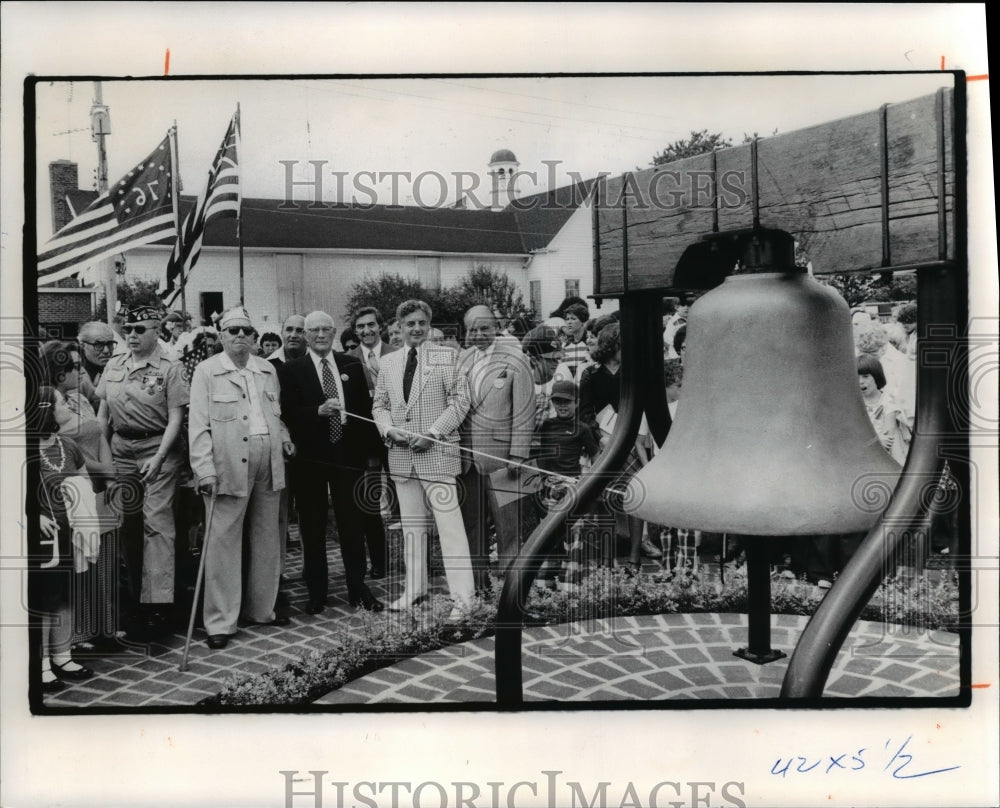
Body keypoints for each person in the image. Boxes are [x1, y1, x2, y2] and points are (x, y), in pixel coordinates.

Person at [188, 307, 295, 649]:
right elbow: (199, 426)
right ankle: (220, 622)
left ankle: (262, 609)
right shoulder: (207, 371)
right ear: (221, 336)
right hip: (227, 467)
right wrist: (204, 469)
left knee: (268, 537)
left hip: (269, 463)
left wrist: (285, 437)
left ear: (253, 337)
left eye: (244, 331)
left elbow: (274, 415)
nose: (238, 336)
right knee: (222, 543)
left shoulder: (266, 370)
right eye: (231, 330)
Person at [371, 299, 474, 619]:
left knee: (450, 528)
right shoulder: (388, 363)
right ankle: (414, 589)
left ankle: (464, 599)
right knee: (412, 527)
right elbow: (379, 405)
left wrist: (431, 433)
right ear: (399, 328)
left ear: (428, 326)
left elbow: (460, 402)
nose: (415, 329)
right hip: (401, 456)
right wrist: (389, 431)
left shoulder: (447, 356)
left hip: (436, 454)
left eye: (421, 323)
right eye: (409, 324)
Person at [278, 311, 385, 614]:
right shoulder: (291, 370)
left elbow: (365, 411)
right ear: (306, 335)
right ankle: (317, 591)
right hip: (310, 459)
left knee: (352, 524)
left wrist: (371, 454)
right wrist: (317, 412)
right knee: (312, 526)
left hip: (346, 455)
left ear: (335, 332)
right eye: (314, 331)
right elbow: (286, 414)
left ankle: (358, 588)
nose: (321, 335)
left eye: (326, 329)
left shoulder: (350, 364)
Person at [95, 305, 187, 640]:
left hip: (157, 450)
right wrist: (102, 460)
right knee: (128, 524)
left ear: (156, 330)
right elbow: (103, 415)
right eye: (127, 329)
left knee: (158, 524)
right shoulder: (114, 364)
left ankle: (159, 606)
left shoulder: (170, 367)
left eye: (139, 329)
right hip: (121, 450)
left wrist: (160, 456)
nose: (131, 335)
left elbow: (176, 418)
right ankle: (135, 600)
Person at [42, 341, 122, 651]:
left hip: (101, 484)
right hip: (79, 488)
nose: (80, 371)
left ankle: (105, 627)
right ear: (58, 373)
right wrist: (106, 470)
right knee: (81, 560)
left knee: (104, 560)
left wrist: (110, 471)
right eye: (74, 367)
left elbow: (98, 433)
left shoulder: (81, 400)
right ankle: (77, 635)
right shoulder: (51, 404)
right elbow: (63, 452)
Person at [457, 305, 535, 588]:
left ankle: (510, 587)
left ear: (495, 327)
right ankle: (478, 585)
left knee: (510, 526)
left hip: (505, 458)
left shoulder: (516, 359)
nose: (478, 334)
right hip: (466, 458)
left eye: (484, 328)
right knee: (472, 525)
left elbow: (526, 409)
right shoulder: (462, 358)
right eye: (472, 329)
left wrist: (519, 454)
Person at [30, 386, 99, 692]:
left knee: (65, 595)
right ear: (47, 409)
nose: (70, 405)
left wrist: (78, 499)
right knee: (44, 599)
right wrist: (36, 516)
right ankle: (41, 661)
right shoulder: (25, 449)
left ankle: (62, 654)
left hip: (69, 531)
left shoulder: (68, 445)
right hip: (42, 539)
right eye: (63, 402)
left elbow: (84, 480)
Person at [349, 306, 400, 579]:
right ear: (355, 330)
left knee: (404, 495)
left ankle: (413, 559)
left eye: (370, 325)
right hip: (365, 439)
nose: (366, 331)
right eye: (360, 327)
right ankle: (378, 561)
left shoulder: (397, 353)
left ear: (380, 326)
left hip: (396, 435)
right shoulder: (347, 359)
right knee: (369, 498)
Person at [858, 353, 911, 465]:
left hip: (889, 454)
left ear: (876, 376)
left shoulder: (888, 401)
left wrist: (871, 441)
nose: (860, 381)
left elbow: (887, 437)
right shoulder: (856, 403)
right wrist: (874, 441)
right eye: (856, 377)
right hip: (865, 453)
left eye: (865, 376)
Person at [76, 321, 118, 411]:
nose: (106, 350)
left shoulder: (119, 368)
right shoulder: (74, 376)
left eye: (110, 344)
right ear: (82, 346)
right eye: (98, 345)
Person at [559, 302, 591, 378]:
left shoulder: (590, 342)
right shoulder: (565, 346)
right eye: (567, 319)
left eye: (573, 319)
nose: (569, 322)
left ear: (583, 321)